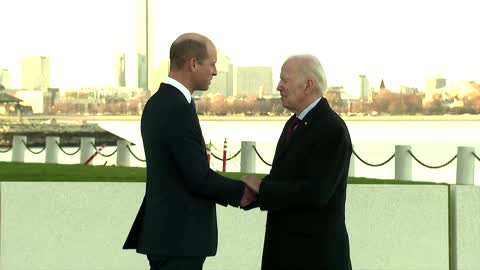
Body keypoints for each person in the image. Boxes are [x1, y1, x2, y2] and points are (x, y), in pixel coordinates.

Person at [123, 32, 256, 270]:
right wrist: (245, 192)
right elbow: (197, 177)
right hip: (178, 238)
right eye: (212, 64)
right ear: (193, 63)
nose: (215, 72)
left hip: (169, 236)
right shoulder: (175, 108)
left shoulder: (162, 102)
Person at [242, 54, 353, 270]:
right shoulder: (294, 124)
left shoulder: (331, 129)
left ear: (308, 85)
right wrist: (253, 195)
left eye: (285, 80)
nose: (278, 87)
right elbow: (285, 181)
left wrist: (263, 189)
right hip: (286, 254)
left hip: (315, 257)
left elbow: (316, 192)